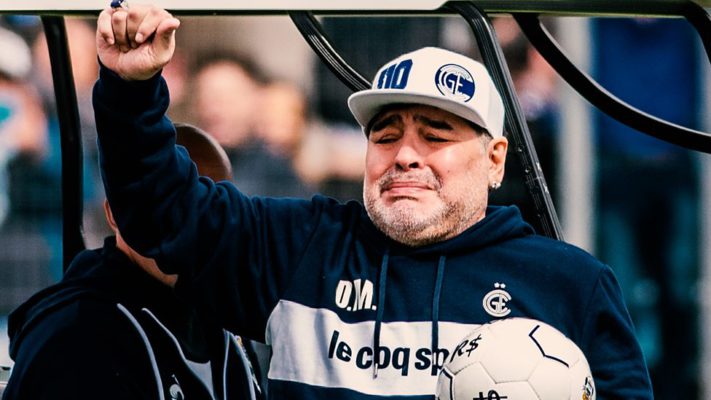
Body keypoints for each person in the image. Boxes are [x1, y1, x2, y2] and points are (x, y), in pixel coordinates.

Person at [92, 4, 652, 399]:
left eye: (434, 135)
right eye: (385, 136)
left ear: (495, 160)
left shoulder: (571, 285)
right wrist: (130, 89)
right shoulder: (301, 245)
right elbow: (159, 212)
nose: (404, 155)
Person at [2, 123, 261, 400]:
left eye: (214, 207)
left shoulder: (225, 323)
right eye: (169, 206)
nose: (193, 224)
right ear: (115, 213)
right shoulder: (77, 336)